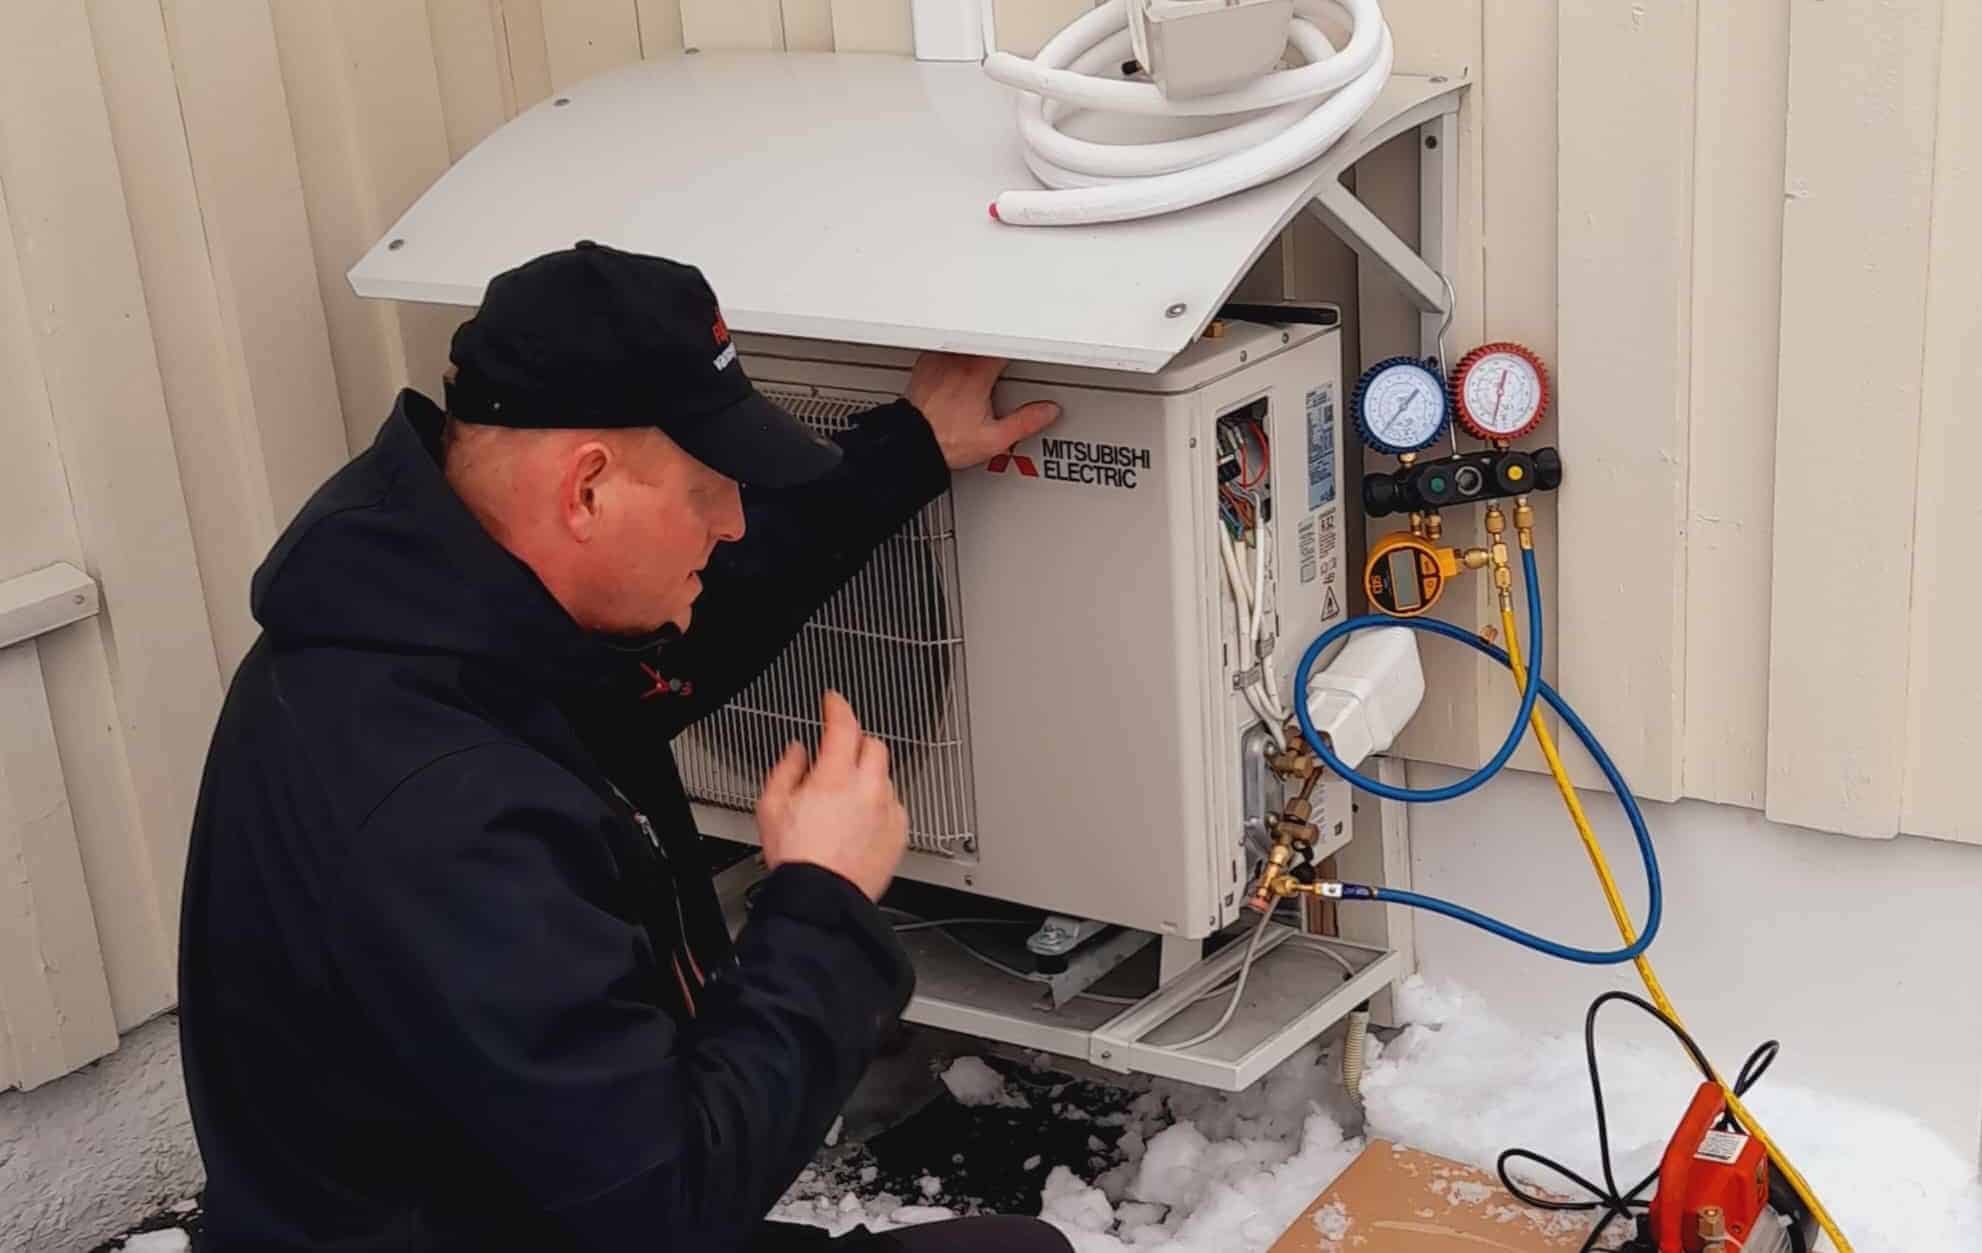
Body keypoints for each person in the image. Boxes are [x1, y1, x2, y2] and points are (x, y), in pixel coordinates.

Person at [177, 242, 1074, 1253]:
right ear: (588, 488)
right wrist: (818, 902)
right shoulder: (444, 804)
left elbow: (702, 616)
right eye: (709, 489)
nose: (733, 523)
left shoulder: (447, 614)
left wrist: (910, 446)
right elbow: (661, 1209)